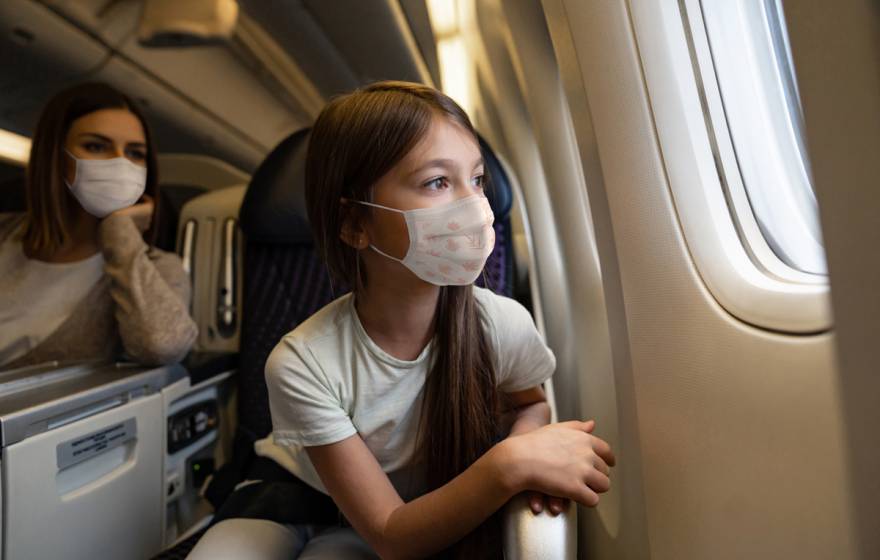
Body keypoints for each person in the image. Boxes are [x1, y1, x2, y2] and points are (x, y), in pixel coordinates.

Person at [189, 81, 614, 559]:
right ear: (354, 224)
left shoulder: (501, 324)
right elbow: (391, 534)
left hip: (401, 513)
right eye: (437, 182)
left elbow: (530, 404)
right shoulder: (302, 361)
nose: (475, 207)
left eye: (476, 180)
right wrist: (508, 464)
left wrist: (521, 452)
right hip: (292, 496)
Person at [0, 82, 197, 369]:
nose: (119, 163)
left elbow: (162, 346)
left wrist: (119, 233)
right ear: (55, 157)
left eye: (135, 153)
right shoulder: (5, 233)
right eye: (96, 146)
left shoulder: (159, 269)